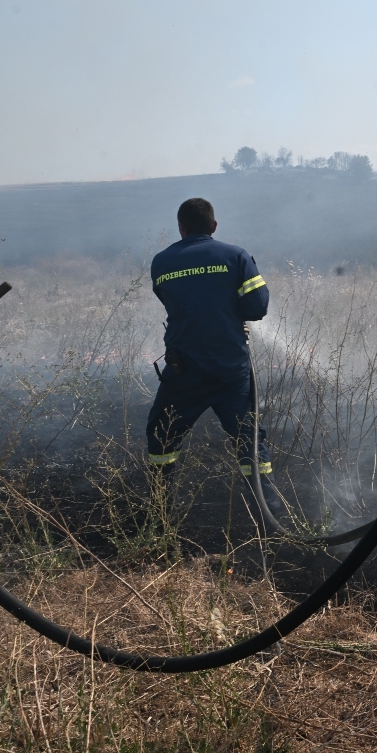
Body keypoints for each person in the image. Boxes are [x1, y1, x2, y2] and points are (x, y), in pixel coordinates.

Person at [145, 197, 280, 515]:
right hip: (230, 369)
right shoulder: (236, 256)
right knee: (248, 439)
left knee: (162, 435)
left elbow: (172, 301)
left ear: (181, 228)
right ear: (214, 226)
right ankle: (270, 515)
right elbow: (257, 307)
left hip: (184, 371)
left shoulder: (161, 262)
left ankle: (161, 514)